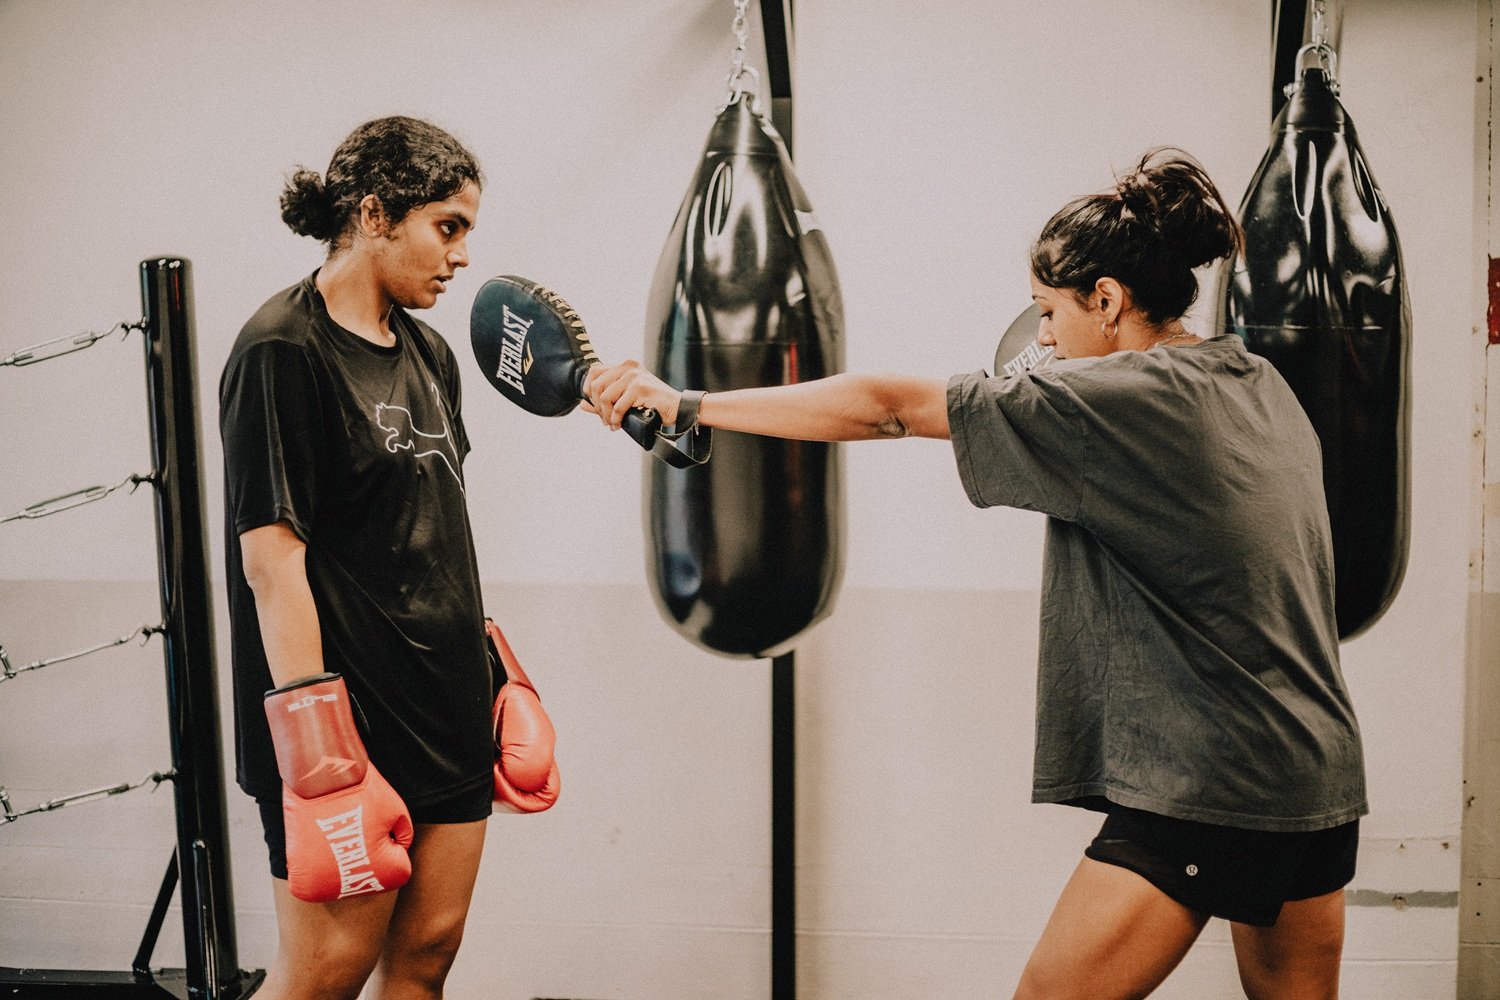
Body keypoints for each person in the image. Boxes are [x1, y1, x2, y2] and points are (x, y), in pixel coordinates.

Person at [583, 148, 1367, 1000]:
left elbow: (888, 406)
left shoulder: (1118, 400)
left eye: (1050, 312)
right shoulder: (1255, 381)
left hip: (1215, 781)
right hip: (1318, 774)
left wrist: (689, 404)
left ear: (1107, 300)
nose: (1042, 339)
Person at [219, 115, 491, 1000]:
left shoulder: (431, 353)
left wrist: (495, 669)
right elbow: (271, 565)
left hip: (444, 705)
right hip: (348, 720)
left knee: (426, 957)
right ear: (375, 214)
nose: (458, 257)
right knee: (326, 970)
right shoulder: (281, 351)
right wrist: (323, 760)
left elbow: (429, 526)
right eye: (445, 228)